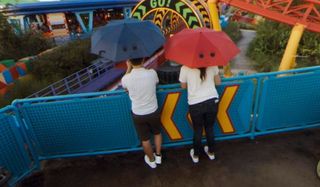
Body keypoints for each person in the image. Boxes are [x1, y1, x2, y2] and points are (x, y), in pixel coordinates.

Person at [121, 58, 162, 169]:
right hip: (153, 110)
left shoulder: (126, 78)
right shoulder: (152, 73)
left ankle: (151, 161)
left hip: (138, 113)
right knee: (157, 133)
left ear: (130, 62)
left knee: (145, 139)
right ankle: (158, 156)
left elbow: (124, 86)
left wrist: (128, 68)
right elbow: (157, 82)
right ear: (143, 60)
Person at [179, 66, 221, 163]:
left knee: (198, 129)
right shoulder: (212, 64)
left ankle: (196, 155)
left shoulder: (185, 67)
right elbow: (218, 82)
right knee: (209, 128)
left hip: (195, 103)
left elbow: (183, 86)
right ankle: (211, 153)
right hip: (212, 101)